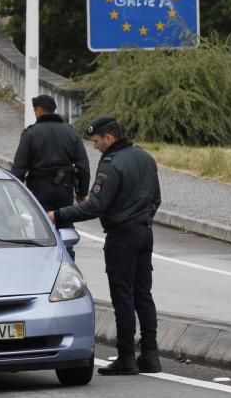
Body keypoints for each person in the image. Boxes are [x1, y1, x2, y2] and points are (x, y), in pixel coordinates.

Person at [49, 116, 162, 376]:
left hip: (122, 236)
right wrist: (142, 218)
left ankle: (126, 358)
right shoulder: (145, 158)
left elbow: (95, 206)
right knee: (143, 295)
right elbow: (156, 198)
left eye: (97, 140)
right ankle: (151, 355)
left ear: (109, 138)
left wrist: (58, 215)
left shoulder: (111, 164)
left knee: (123, 296)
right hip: (145, 233)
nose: (95, 145)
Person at [12, 95, 90, 257]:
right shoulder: (71, 133)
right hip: (65, 189)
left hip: (39, 190)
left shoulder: (30, 134)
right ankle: (67, 257)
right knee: (65, 224)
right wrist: (82, 192)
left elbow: (19, 168)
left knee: (43, 229)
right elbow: (83, 166)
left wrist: (13, 195)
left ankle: (46, 260)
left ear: (39, 111)